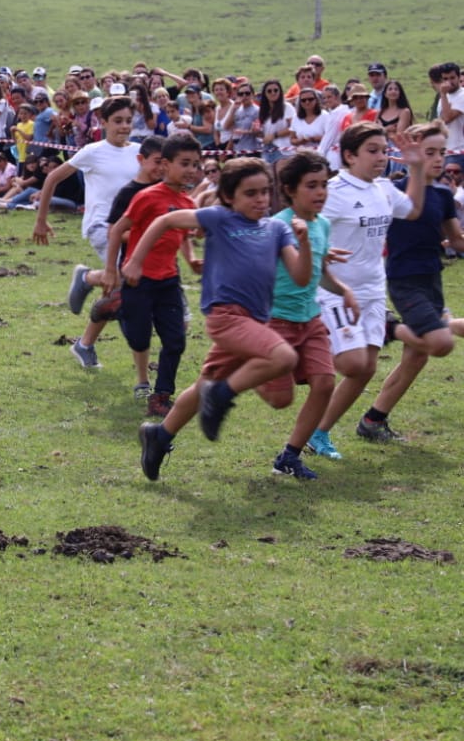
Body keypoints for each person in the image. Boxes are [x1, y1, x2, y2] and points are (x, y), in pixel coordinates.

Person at [129, 158, 313, 481]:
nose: (261, 200)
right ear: (229, 197)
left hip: (255, 323)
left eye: (265, 193)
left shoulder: (277, 228)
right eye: (250, 193)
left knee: (271, 397)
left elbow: (300, 277)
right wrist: (135, 261)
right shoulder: (220, 218)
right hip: (225, 316)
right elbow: (166, 221)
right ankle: (222, 394)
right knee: (284, 356)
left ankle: (159, 436)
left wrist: (307, 242)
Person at [305, 124, 429, 458]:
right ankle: (301, 358)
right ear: (349, 155)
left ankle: (318, 433)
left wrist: (416, 167)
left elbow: (413, 210)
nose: (381, 157)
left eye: (384, 149)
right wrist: (319, 253)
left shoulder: (384, 189)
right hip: (335, 291)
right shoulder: (332, 191)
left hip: (374, 291)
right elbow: (299, 225)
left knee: (367, 368)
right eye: (372, 150)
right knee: (352, 365)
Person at [256, 151, 358, 480]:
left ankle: (290, 455)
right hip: (276, 320)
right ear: (289, 190)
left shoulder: (323, 225)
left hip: (309, 318)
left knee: (325, 382)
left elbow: (319, 272)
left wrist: (343, 291)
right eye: (311, 186)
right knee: (278, 397)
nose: (320, 193)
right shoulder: (276, 225)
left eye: (324, 185)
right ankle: (244, 370)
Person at [357, 123, 464, 439]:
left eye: (442, 152)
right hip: (404, 281)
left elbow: (455, 239)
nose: (437, 159)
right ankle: (394, 327)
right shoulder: (392, 191)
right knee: (438, 342)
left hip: (433, 280)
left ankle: (373, 422)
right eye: (429, 152)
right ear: (412, 152)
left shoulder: (444, 195)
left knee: (416, 358)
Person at [32, 96, 139, 369]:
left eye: (128, 120)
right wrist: (41, 220)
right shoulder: (93, 151)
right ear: (103, 122)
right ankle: (89, 287)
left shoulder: (139, 152)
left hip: (131, 229)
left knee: (121, 284)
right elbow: (53, 178)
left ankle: (87, 286)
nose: (124, 126)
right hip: (100, 225)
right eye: (117, 121)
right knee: (118, 282)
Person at [102, 135, 202, 417]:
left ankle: (160, 396)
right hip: (138, 280)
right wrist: (111, 269)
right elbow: (117, 229)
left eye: (196, 164)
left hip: (168, 281)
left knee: (175, 341)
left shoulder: (188, 202)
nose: (191, 170)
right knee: (139, 338)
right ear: (166, 165)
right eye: (185, 163)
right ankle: (120, 306)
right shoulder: (146, 197)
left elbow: (183, 235)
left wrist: (191, 258)